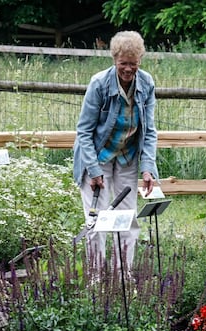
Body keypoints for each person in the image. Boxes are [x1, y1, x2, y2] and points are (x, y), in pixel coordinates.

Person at [72, 30, 158, 271]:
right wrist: (94, 170)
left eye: (133, 64)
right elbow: (84, 131)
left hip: (127, 157)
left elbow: (149, 131)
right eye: (123, 64)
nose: (128, 69)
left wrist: (148, 168)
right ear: (114, 60)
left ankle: (123, 277)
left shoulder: (147, 83)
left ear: (140, 61)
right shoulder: (99, 83)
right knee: (97, 219)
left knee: (127, 218)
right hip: (96, 156)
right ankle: (97, 279)